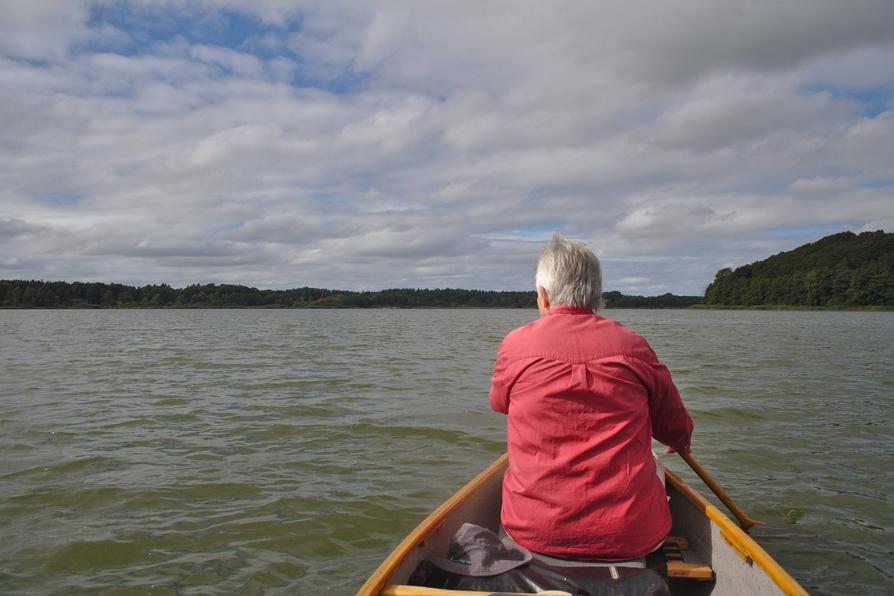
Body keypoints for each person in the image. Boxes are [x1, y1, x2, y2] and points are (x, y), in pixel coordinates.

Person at [489, 235, 693, 562]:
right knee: (655, 463)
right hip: (631, 535)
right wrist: (680, 439)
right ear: (597, 296)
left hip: (534, 532)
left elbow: (499, 403)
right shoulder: (633, 345)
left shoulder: (515, 346)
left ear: (543, 296)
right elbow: (673, 426)